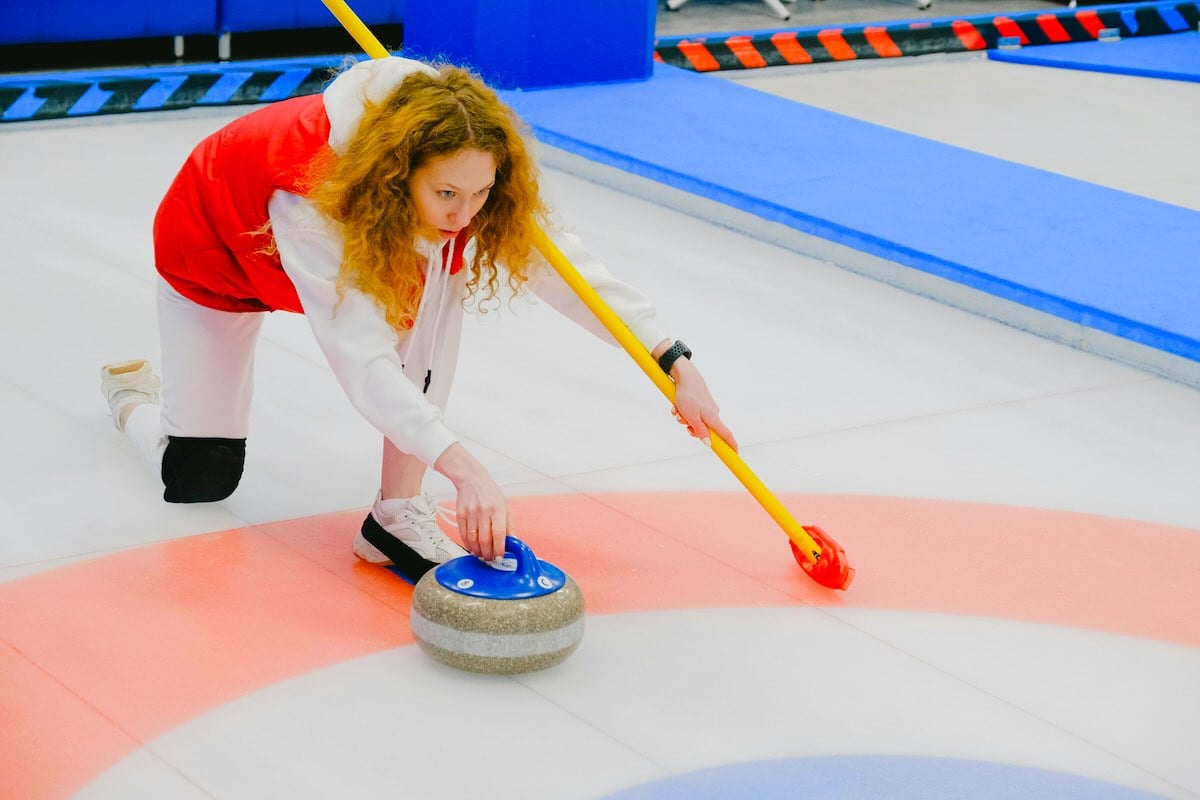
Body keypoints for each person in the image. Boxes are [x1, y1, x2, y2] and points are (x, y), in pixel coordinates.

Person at [100, 56, 737, 582]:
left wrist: (671, 356)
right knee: (199, 479)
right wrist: (463, 466)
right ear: (394, 174)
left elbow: (565, 268)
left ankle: (396, 513)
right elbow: (364, 362)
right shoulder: (308, 192)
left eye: (482, 192)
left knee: (436, 269)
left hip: (364, 239)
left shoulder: (459, 167)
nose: (467, 213)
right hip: (218, 258)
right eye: (448, 195)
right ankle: (136, 397)